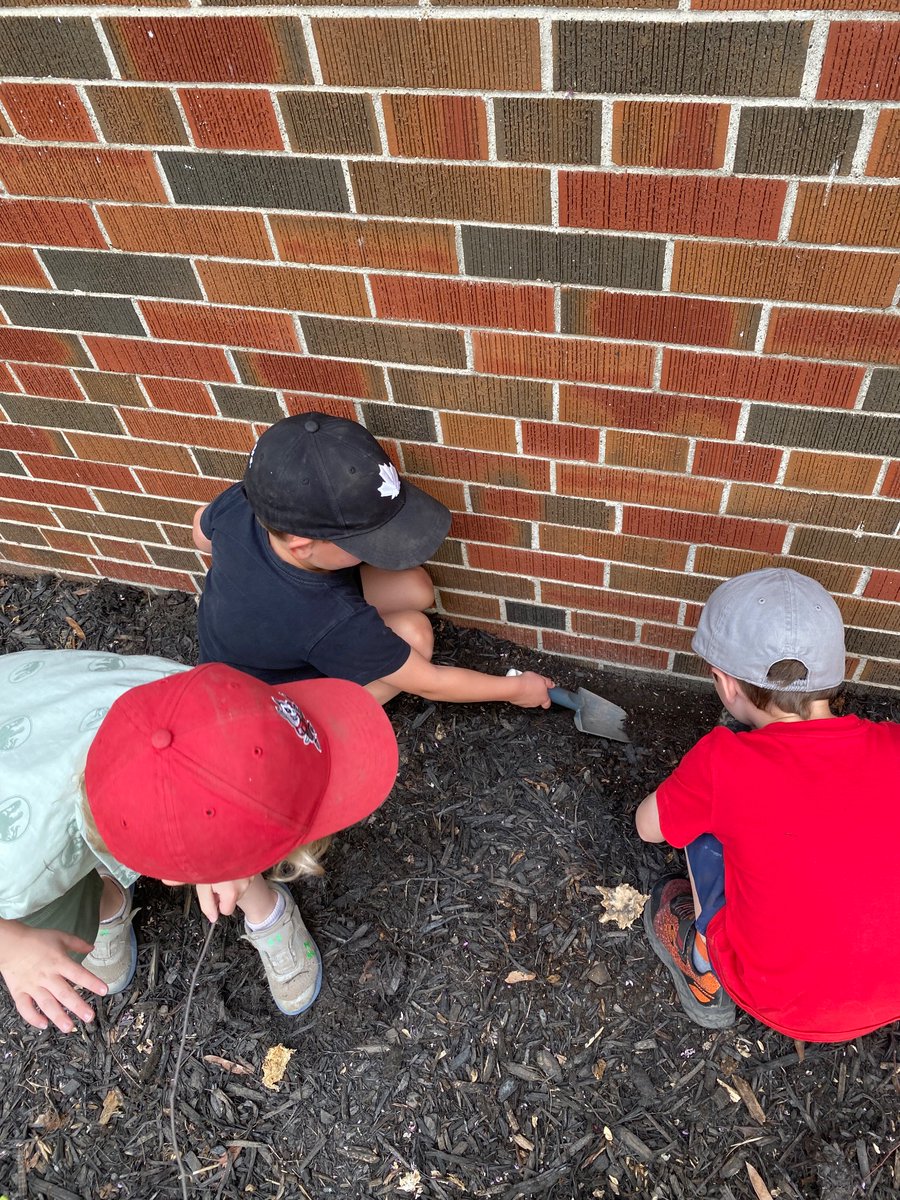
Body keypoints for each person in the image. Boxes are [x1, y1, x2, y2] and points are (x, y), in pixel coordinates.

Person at [0, 648, 398, 1032]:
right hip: (25, 858)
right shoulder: (17, 877)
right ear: (172, 878)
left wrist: (221, 857)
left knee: (210, 830)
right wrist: (11, 945)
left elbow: (200, 784)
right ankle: (105, 902)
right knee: (64, 917)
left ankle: (261, 904)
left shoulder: (179, 700)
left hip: (39, 709)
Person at [635, 567, 900, 1041]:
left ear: (726, 684)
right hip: (890, 993)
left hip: (778, 996)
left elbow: (648, 826)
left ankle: (703, 967)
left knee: (700, 827)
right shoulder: (893, 745)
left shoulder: (724, 762)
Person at [192, 412, 553, 708]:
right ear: (302, 545)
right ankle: (328, 719)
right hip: (270, 697)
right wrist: (517, 689)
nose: (376, 547)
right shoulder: (327, 617)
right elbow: (432, 683)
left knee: (416, 587)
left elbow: (200, 533)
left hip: (248, 644)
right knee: (416, 635)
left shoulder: (246, 502)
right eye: (362, 541)